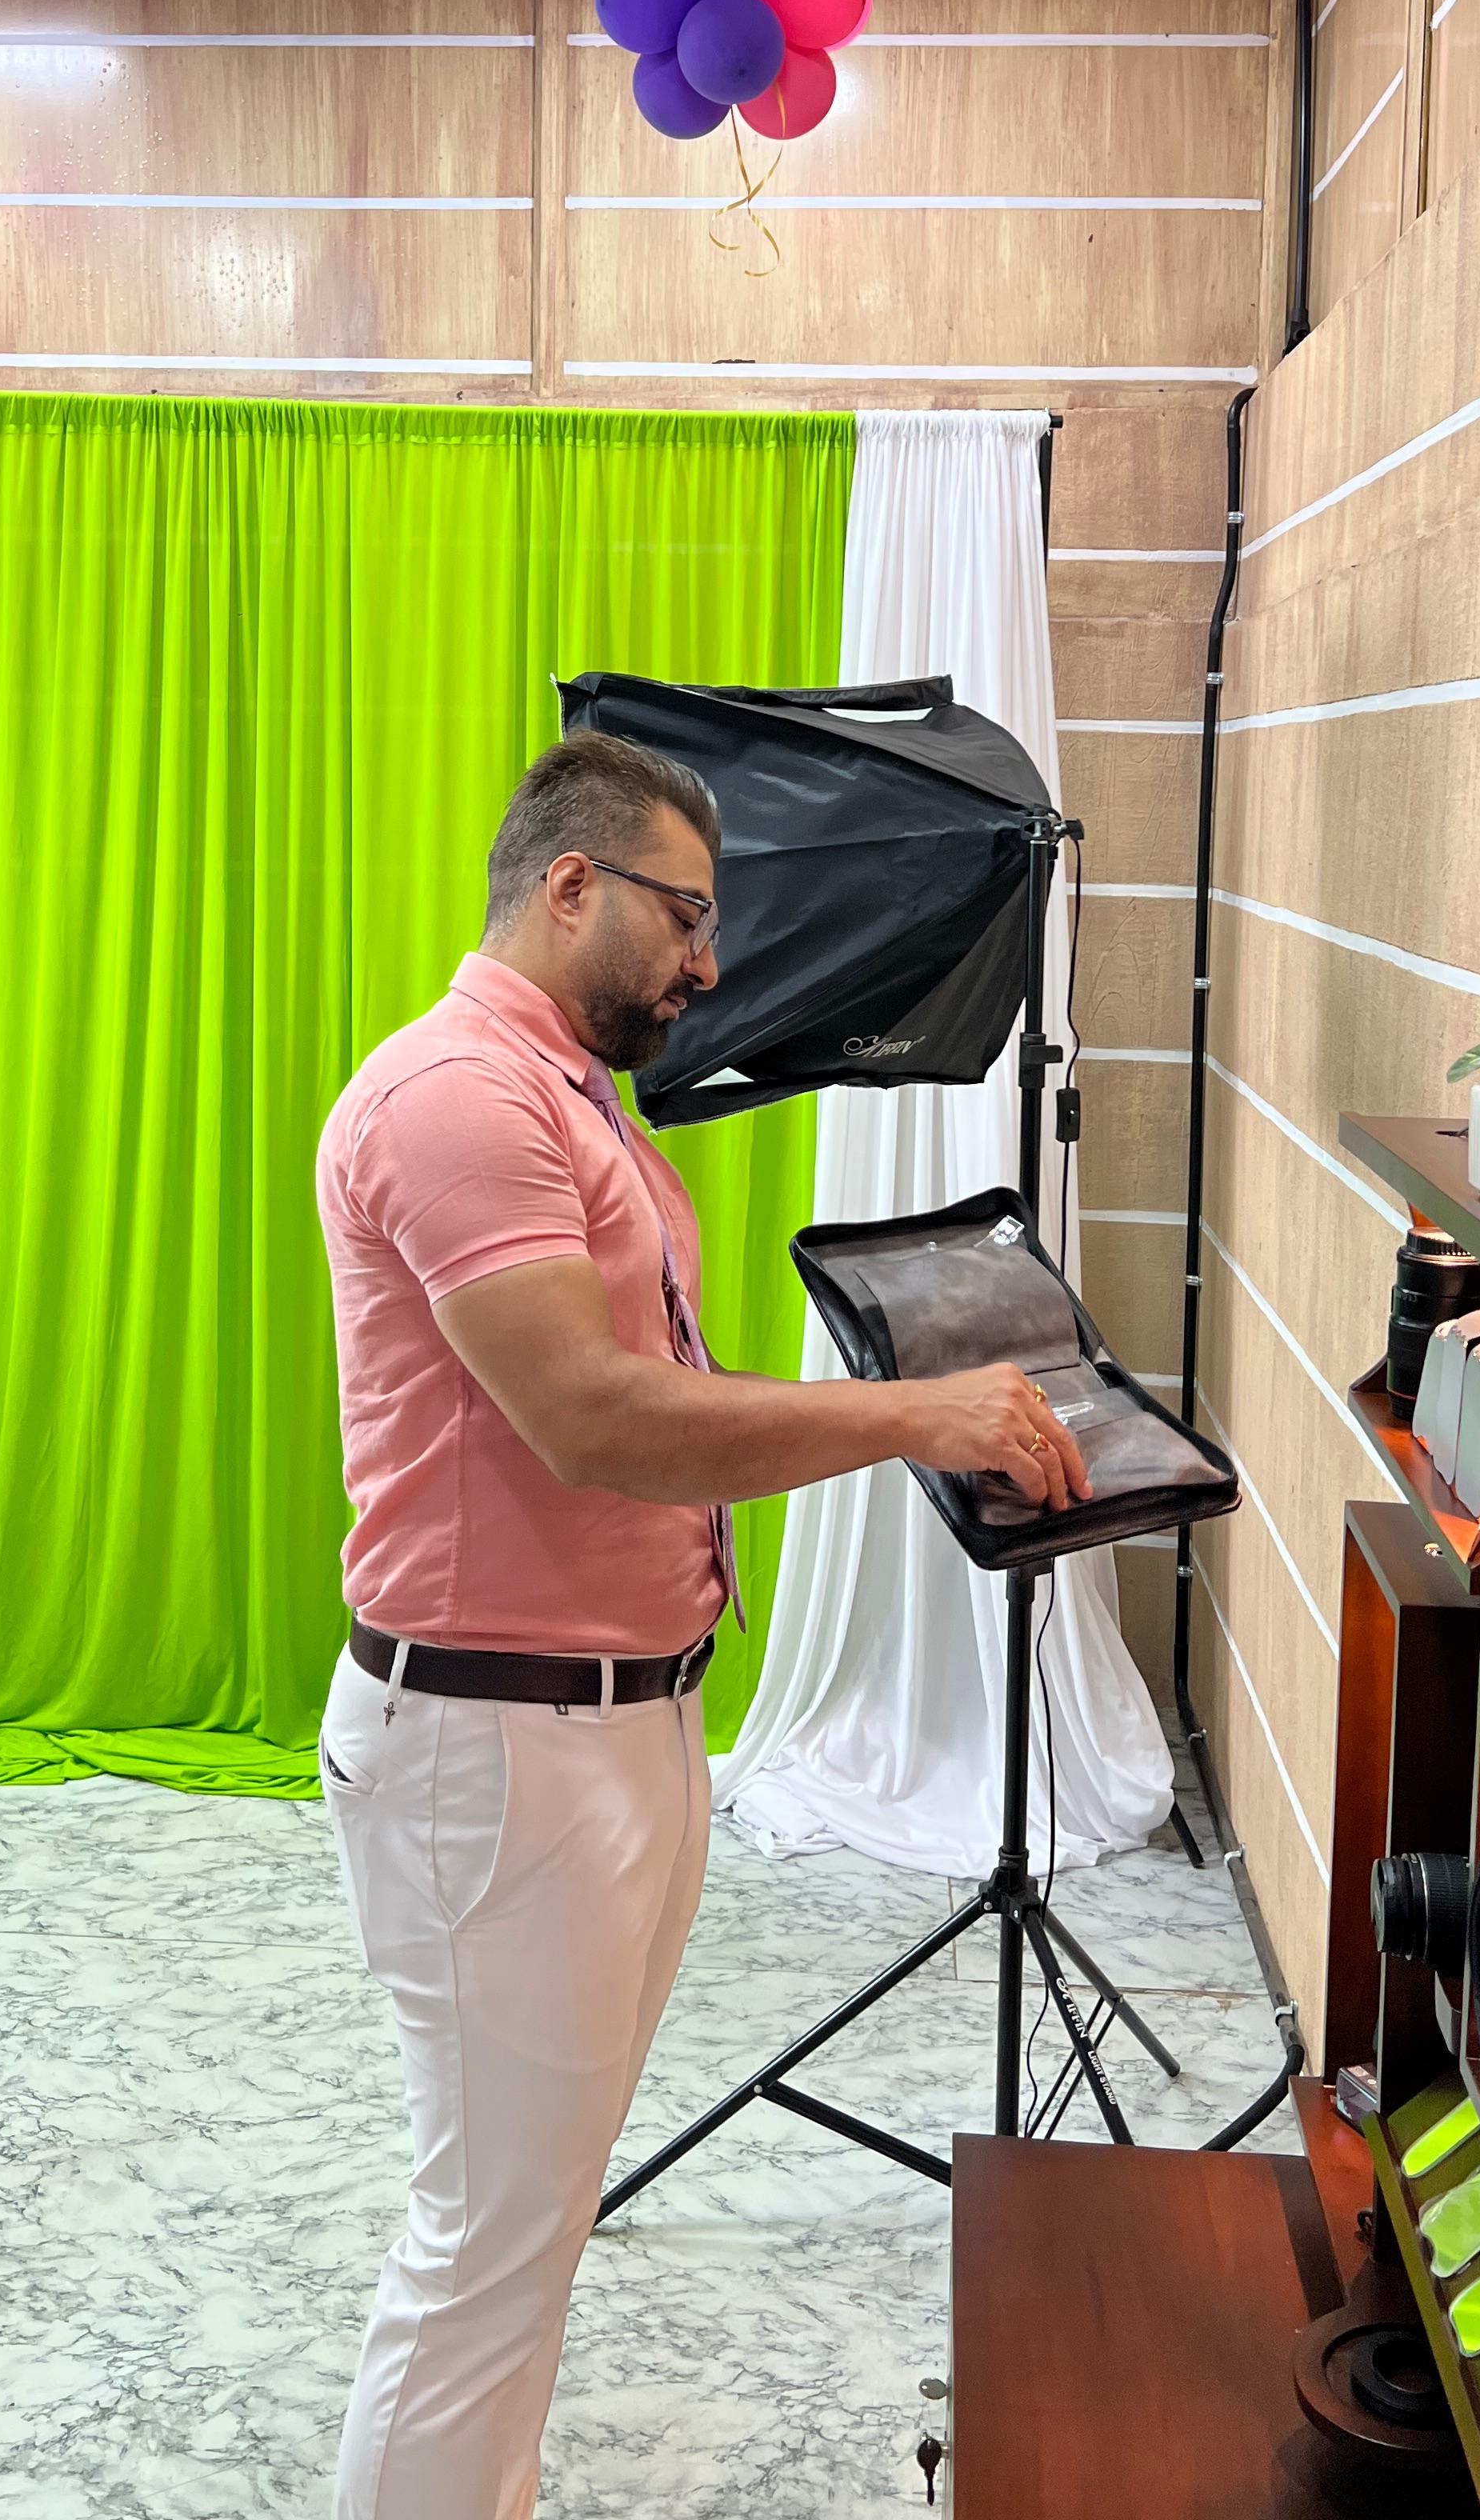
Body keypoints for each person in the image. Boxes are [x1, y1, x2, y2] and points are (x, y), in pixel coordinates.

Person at [314, 727, 1084, 2519]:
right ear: (570, 883)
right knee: (488, 2246)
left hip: (618, 1724)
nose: (711, 965)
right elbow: (593, 1420)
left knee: (531, 2225)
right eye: (685, 916)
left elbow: (645, 1392)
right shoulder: (457, 1101)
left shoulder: (569, 1098)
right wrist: (913, 1415)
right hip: (500, 1746)